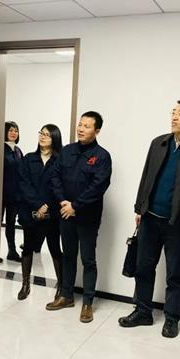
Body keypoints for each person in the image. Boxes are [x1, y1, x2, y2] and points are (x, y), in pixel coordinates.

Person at [118, 100, 180, 338]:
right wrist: (140, 208)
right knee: (143, 268)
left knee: (175, 274)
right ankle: (142, 311)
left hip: (179, 224)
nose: (174, 117)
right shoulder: (158, 143)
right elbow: (146, 176)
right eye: (173, 112)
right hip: (150, 218)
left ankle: (172, 318)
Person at [46, 111, 112, 324]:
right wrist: (63, 202)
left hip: (87, 217)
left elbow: (98, 186)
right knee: (68, 255)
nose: (81, 129)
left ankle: (87, 303)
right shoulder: (67, 151)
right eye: (80, 124)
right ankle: (66, 296)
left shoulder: (102, 156)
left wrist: (75, 206)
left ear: (97, 130)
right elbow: (54, 176)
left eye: (87, 126)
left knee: (88, 259)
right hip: (65, 213)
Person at [16, 124, 64, 300]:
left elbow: (59, 186)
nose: (42, 137)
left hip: (52, 214)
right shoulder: (29, 159)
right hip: (31, 212)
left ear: (55, 139)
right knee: (28, 248)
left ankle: (61, 286)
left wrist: (47, 206)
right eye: (41, 133)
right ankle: (25, 284)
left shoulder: (60, 160)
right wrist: (38, 205)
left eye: (47, 135)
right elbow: (23, 184)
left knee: (55, 249)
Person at [2, 121, 23, 262]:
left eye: (16, 130)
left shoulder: (18, 150)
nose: (14, 133)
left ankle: (12, 251)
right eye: (10, 130)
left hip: (14, 195)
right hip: (0, 193)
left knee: (11, 223)